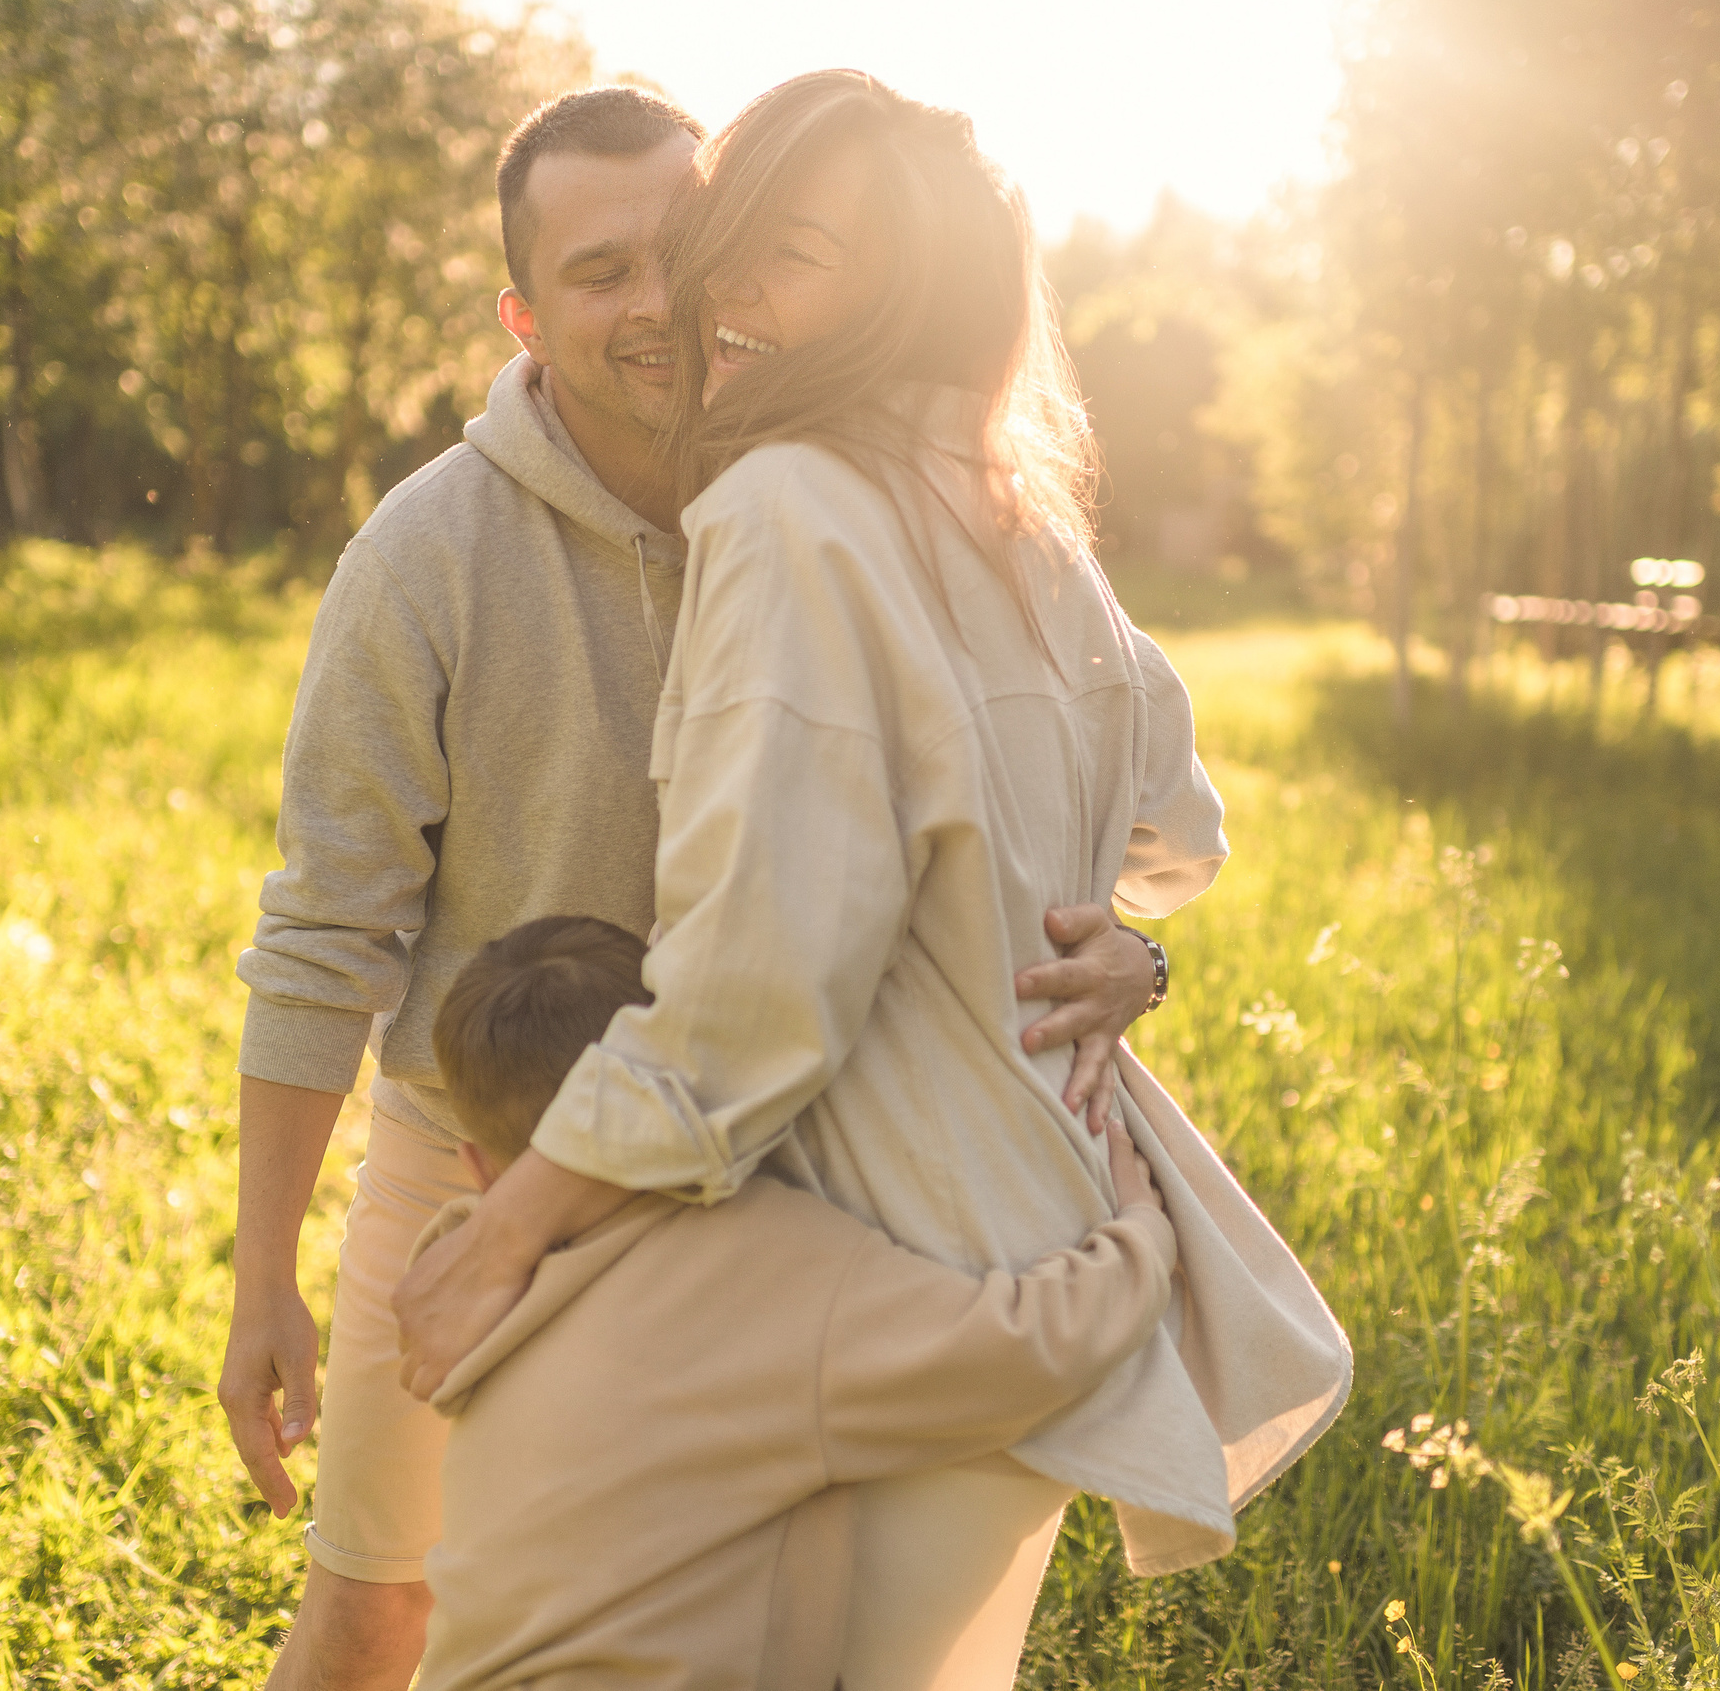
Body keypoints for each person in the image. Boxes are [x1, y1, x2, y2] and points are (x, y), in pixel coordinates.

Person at [398, 70, 1352, 1689]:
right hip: (1037, 1233)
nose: (730, 295)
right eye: (736, 242)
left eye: (802, 253)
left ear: (906, 284)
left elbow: (753, 995)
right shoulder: (1030, 526)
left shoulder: (789, 511)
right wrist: (1122, 940)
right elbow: (1179, 838)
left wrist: (507, 1231)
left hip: (895, 1268)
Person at [221, 84, 1166, 1691]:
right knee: (386, 1593)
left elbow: (1089, 791)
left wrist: (1128, 950)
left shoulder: (877, 508)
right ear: (525, 313)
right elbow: (326, 929)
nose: (661, 304)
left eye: (690, 247)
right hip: (482, 1148)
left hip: (782, 1176)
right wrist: (264, 1277)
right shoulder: (429, 554)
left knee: (736, 1630)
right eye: (600, 275)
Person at [407, 914, 1176, 1691]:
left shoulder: (460, 1290)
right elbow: (1025, 1348)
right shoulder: (758, 1266)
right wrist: (1142, 1232)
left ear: (477, 1166)